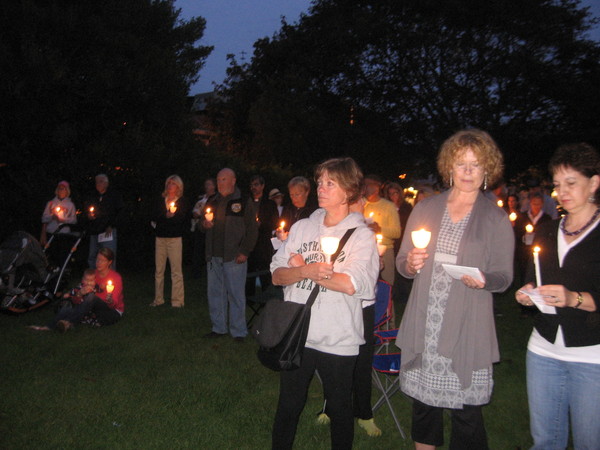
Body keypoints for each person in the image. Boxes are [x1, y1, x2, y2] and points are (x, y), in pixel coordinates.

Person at [395, 129, 514, 449]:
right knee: (424, 408)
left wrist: (485, 280)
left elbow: (504, 277)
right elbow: (402, 261)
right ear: (449, 167)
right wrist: (411, 264)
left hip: (467, 323)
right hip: (427, 321)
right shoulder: (425, 208)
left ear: (488, 169)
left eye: (476, 165)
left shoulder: (496, 218)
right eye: (461, 164)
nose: (468, 172)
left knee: (467, 415)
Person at [270, 157, 379, 450]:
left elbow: (352, 284)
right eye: (320, 182)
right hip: (298, 333)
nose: (321, 187)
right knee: (289, 405)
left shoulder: (362, 235)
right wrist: (304, 270)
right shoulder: (303, 227)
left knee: (340, 408)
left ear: (349, 190)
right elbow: (278, 276)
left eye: (330, 183)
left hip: (338, 336)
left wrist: (308, 268)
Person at [515, 142, 600, 450]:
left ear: (594, 183)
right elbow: (532, 279)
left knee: (590, 442)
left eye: (571, 183)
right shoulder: (548, 230)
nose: (562, 192)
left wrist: (574, 298)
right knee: (546, 442)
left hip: (591, 355)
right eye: (557, 185)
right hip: (543, 350)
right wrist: (527, 293)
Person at [202, 168, 258, 341]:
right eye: (218, 180)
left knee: (235, 294)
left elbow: (252, 229)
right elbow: (200, 225)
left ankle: (238, 331)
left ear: (233, 181)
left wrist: (245, 251)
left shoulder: (243, 200)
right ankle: (218, 328)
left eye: (223, 179)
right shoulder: (213, 200)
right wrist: (204, 224)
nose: (220, 183)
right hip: (214, 256)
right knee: (215, 294)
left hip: (234, 256)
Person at [29, 248, 124, 332]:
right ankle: (48, 327)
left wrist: (109, 299)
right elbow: (78, 296)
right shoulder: (92, 274)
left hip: (111, 312)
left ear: (109, 262)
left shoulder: (115, 277)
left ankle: (68, 322)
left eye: (102, 260)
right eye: (97, 259)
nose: (98, 263)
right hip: (91, 309)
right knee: (68, 309)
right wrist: (80, 293)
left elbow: (113, 304)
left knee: (91, 298)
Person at [150, 175, 190, 308]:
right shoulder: (161, 200)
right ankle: (158, 299)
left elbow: (182, 218)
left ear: (178, 186)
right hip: (160, 238)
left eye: (173, 183)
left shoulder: (182, 201)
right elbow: (154, 216)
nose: (169, 185)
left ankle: (177, 301)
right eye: (168, 183)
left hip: (175, 239)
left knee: (176, 270)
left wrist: (172, 217)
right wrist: (165, 216)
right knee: (159, 270)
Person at [363, 174, 401, 286]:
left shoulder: (388, 206)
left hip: (385, 251)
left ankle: (388, 303)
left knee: (387, 285)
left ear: (377, 186)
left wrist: (379, 229)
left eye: (368, 185)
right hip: (365, 250)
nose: (365, 188)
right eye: (363, 185)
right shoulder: (361, 204)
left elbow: (397, 232)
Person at [246, 175, 279, 298]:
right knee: (249, 270)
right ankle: (249, 297)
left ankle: (267, 296)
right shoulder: (247, 202)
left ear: (262, 186)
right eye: (252, 185)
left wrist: (262, 224)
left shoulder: (269, 204)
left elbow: (275, 222)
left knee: (264, 269)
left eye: (256, 185)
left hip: (263, 242)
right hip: (249, 242)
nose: (253, 187)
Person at [85, 174, 124, 269]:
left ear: (107, 183)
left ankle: (109, 281)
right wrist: (89, 216)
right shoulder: (92, 196)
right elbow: (87, 209)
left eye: (101, 181)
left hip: (107, 231)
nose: (98, 184)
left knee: (108, 256)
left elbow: (120, 212)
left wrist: (112, 225)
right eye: (97, 182)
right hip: (94, 231)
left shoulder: (114, 196)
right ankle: (93, 280)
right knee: (93, 257)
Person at [40, 180, 77, 264]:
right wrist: (52, 216)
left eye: (63, 189)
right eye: (59, 188)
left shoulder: (70, 205)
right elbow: (44, 218)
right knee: (51, 256)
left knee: (62, 255)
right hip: (51, 233)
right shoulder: (50, 203)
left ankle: (61, 273)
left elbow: (74, 220)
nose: (61, 190)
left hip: (64, 234)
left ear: (67, 191)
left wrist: (63, 220)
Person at [191, 178, 217, 278]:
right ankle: (196, 272)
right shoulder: (201, 199)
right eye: (206, 185)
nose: (207, 187)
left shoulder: (216, 199)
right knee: (198, 250)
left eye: (209, 184)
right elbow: (195, 212)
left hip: (211, 228)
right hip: (200, 226)